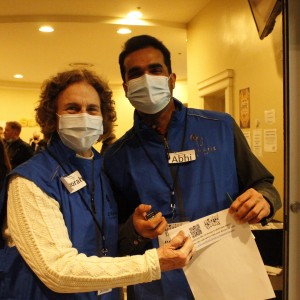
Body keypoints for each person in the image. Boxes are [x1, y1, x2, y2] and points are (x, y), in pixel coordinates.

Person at [103, 35, 282, 299]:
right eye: (136, 74)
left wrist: (264, 200)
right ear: (127, 87)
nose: (147, 79)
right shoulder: (116, 156)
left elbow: (264, 185)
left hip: (228, 278)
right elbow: (112, 236)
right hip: (160, 287)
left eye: (155, 70)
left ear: (171, 79)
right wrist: (134, 230)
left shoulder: (220, 127)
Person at [0, 69, 194, 300]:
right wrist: (154, 262)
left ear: (103, 119)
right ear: (54, 117)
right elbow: (58, 270)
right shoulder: (29, 180)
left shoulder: (103, 170)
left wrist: (134, 229)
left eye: (92, 109)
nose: (83, 116)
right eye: (72, 108)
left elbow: (102, 244)